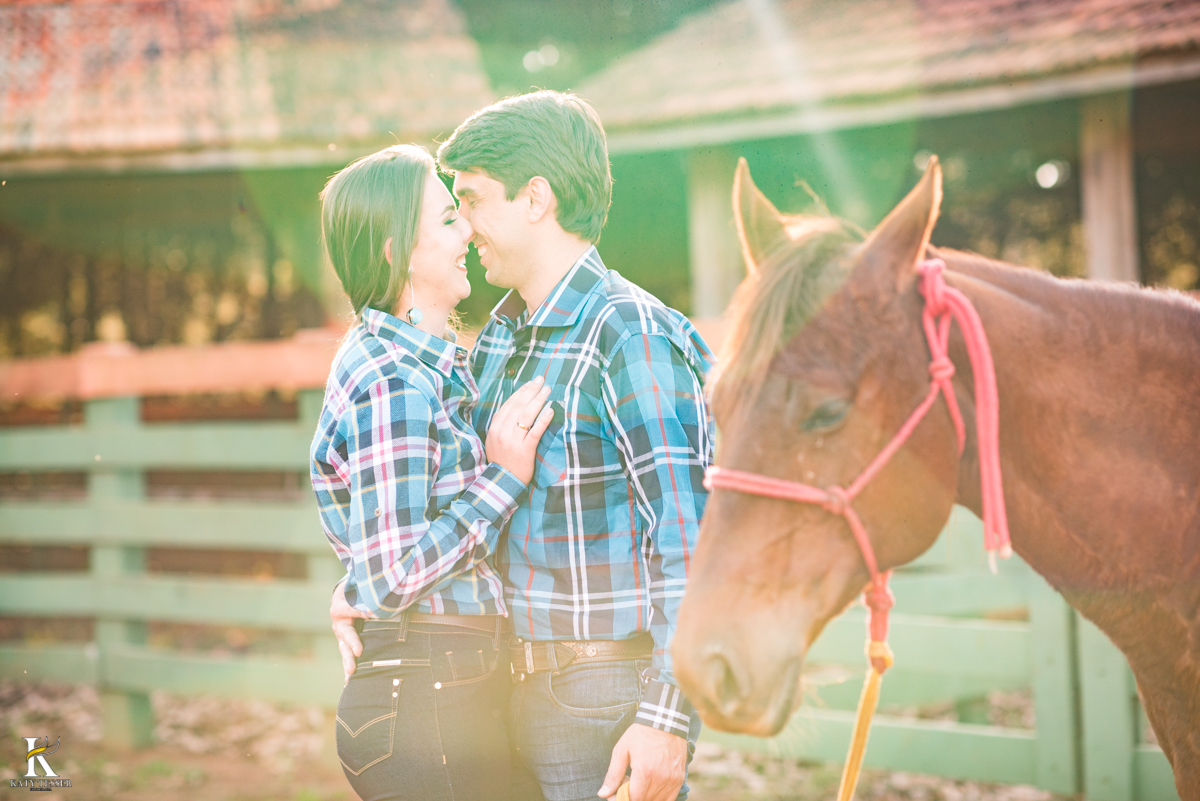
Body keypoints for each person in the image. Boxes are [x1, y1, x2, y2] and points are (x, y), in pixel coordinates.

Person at [333, 93, 714, 801]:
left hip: (601, 694)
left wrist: (666, 719)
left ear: (535, 197)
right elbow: (448, 498)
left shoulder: (628, 332)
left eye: (471, 200)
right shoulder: (500, 341)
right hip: (504, 692)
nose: (464, 226)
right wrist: (364, 582)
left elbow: (690, 541)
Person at [311, 143, 553, 801]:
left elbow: (378, 562)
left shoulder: (420, 368)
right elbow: (391, 580)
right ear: (397, 251)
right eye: (448, 219)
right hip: (429, 694)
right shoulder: (393, 382)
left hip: (438, 685)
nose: (468, 230)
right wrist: (503, 479)